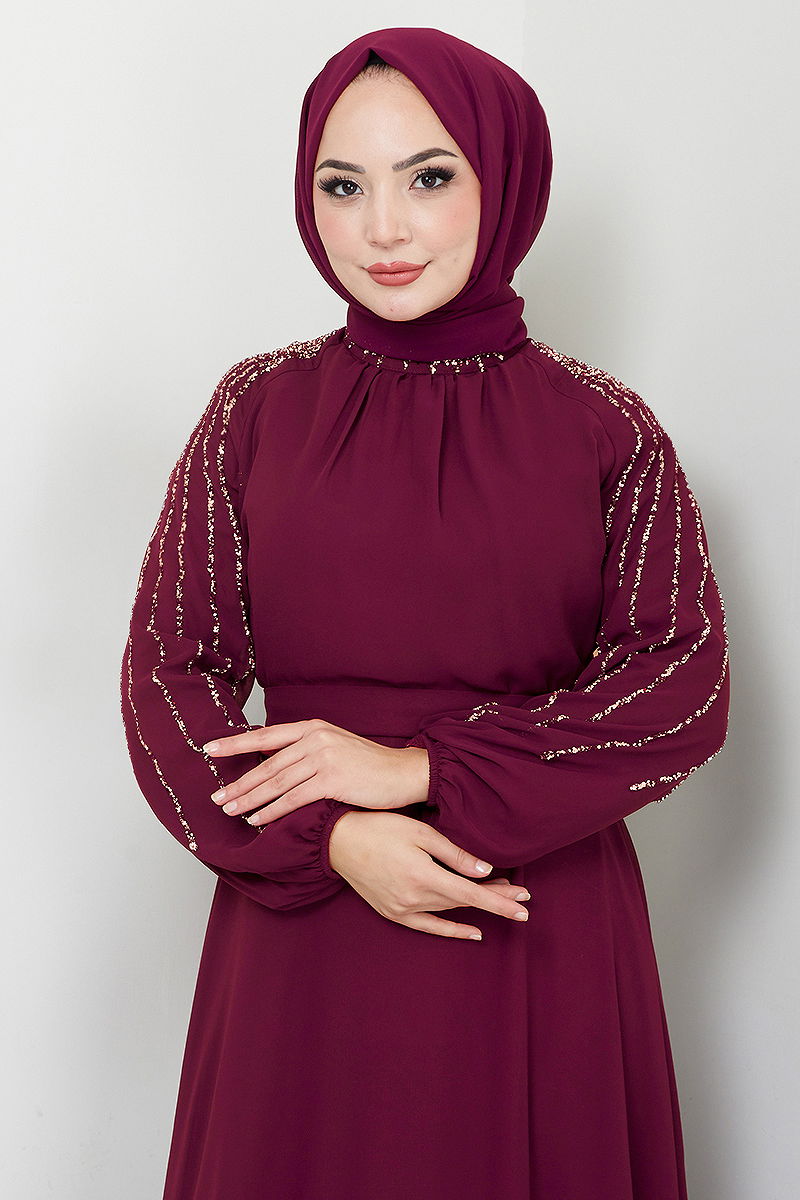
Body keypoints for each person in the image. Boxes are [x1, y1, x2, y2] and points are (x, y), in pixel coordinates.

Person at [119, 26, 730, 1200]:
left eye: (428, 177)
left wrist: (417, 771)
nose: (382, 230)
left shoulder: (604, 427)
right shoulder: (256, 408)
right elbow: (168, 675)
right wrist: (333, 839)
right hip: (300, 917)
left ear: (504, 184)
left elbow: (677, 686)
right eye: (342, 186)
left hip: (523, 908)